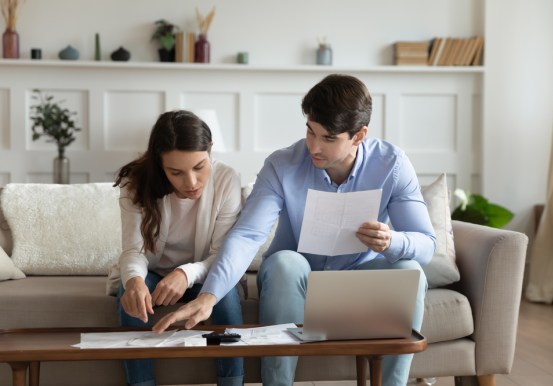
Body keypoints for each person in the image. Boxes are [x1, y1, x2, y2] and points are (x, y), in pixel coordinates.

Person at [152, 75, 437, 386]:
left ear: (359, 136)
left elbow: (426, 245)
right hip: (295, 281)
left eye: (329, 138)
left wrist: (392, 240)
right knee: (285, 262)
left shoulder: (392, 165)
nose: (313, 146)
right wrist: (209, 295)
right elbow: (248, 235)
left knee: (410, 270)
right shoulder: (282, 164)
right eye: (310, 131)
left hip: (360, 281)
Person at [110, 110, 244, 386]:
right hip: (154, 273)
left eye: (199, 167)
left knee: (226, 293)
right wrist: (135, 281)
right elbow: (133, 251)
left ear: (210, 152)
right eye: (176, 172)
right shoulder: (136, 183)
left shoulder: (226, 179)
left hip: (203, 272)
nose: (191, 183)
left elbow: (222, 255)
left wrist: (185, 273)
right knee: (130, 291)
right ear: (160, 166)